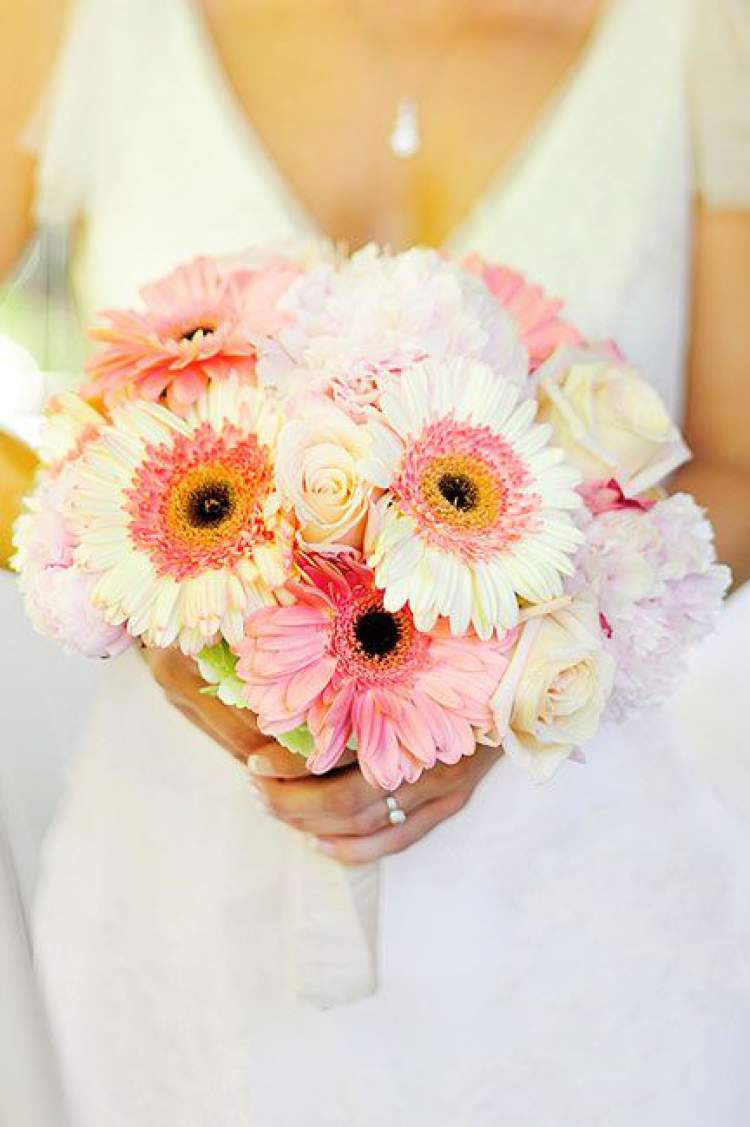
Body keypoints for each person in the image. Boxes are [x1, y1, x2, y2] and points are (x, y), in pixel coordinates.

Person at [1, 0, 749, 1123]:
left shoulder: (701, 37)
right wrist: (138, 574)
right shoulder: (77, 20)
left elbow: (735, 464)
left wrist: (507, 678)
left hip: (570, 904)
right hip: (178, 903)